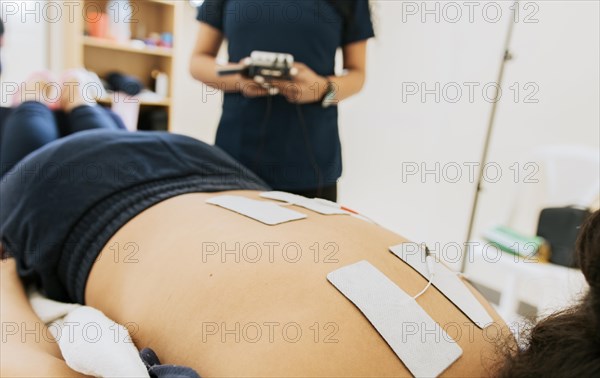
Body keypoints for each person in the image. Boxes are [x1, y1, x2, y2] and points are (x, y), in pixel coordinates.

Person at [1, 85, 507, 376]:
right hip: (89, 193)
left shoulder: (504, 343)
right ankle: (62, 92)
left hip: (197, 173)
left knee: (58, 113)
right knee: (50, 116)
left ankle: (62, 92)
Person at [190, 0, 374, 201]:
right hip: (235, 160)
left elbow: (357, 76)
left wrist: (321, 89)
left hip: (312, 165)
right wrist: (238, 80)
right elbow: (198, 61)